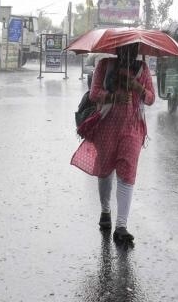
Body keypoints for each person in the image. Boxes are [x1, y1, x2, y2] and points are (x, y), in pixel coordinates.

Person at [70, 43, 155, 244]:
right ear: (117, 50)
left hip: (132, 129)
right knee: (105, 171)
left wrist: (138, 87)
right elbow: (94, 93)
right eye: (125, 50)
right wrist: (113, 97)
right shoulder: (104, 65)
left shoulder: (142, 70)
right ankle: (105, 210)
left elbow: (151, 99)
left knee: (127, 173)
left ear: (137, 52)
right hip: (106, 126)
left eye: (133, 51)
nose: (129, 54)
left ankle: (121, 226)